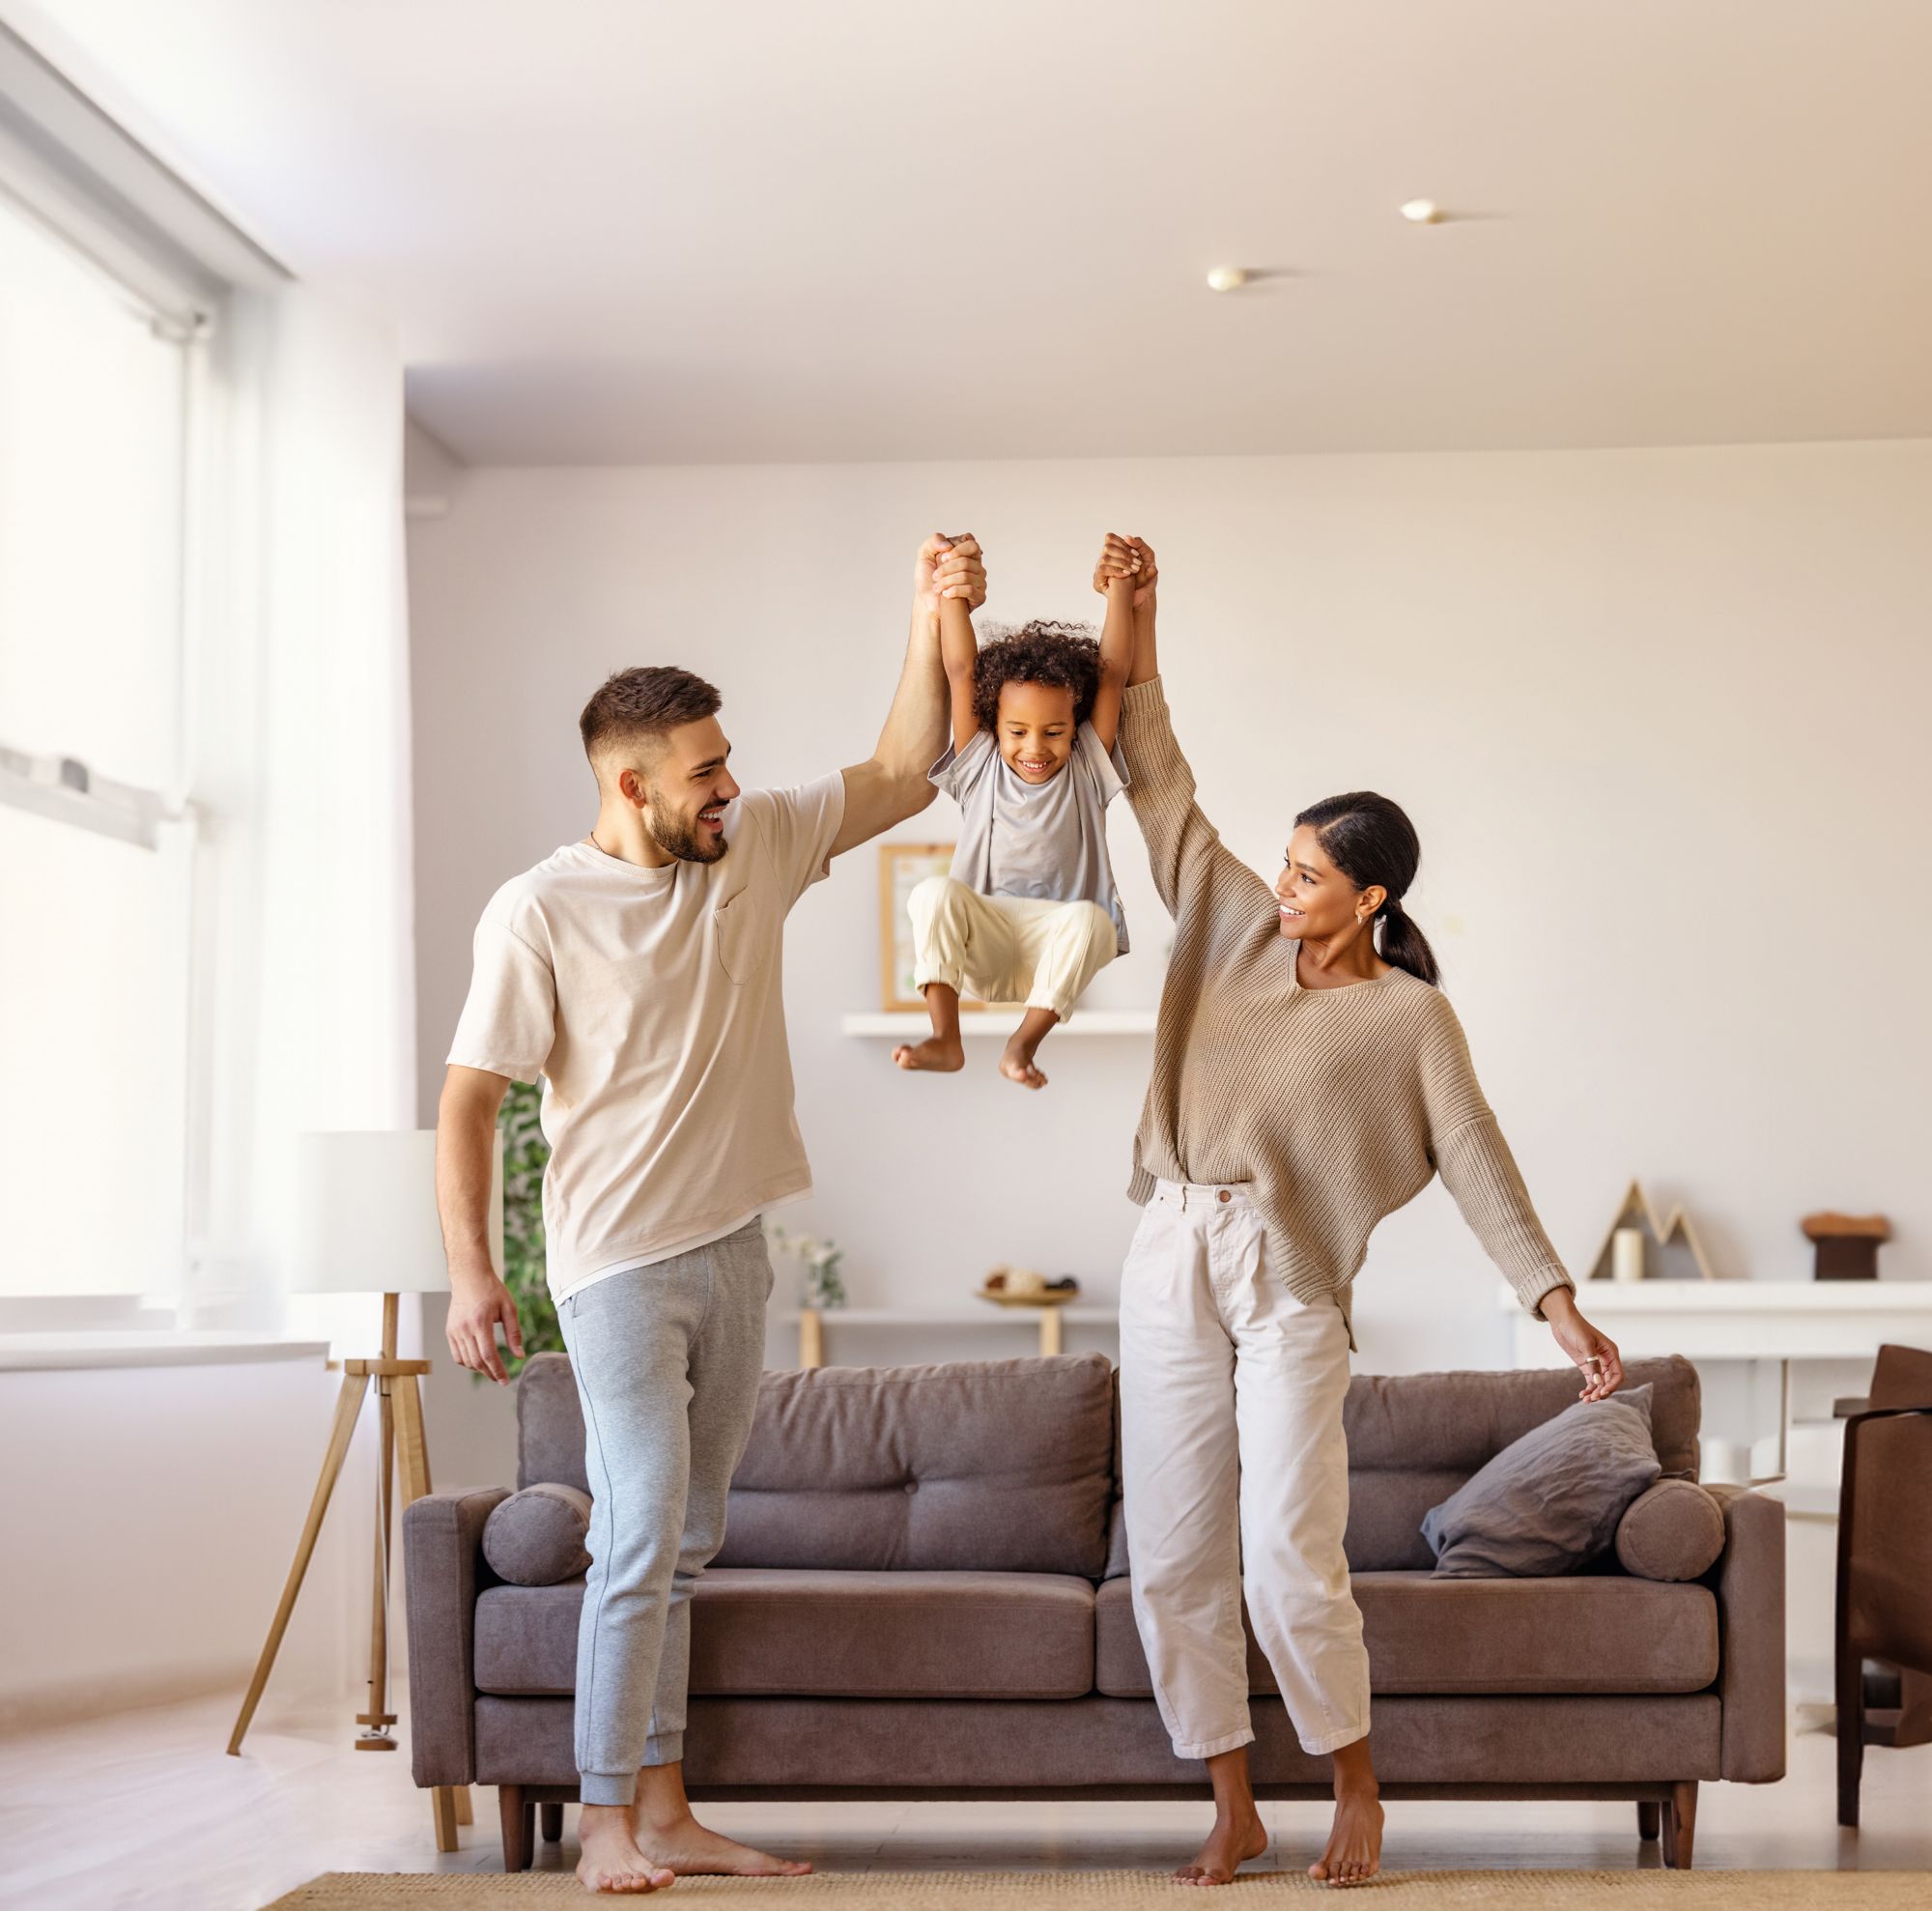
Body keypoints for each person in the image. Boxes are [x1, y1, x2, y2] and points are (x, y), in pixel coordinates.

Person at [435, 532, 985, 1895]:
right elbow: (467, 1100)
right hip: (616, 1266)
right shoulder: (539, 910)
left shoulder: (749, 851)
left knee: (683, 1542)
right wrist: (473, 1272)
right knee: (636, 1535)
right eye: (705, 769)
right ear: (630, 783)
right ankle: (607, 1820)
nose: (730, 784)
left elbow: (910, 763)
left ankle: (667, 1809)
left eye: (729, 762)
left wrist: (928, 612)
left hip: (734, 1249)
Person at [1094, 532, 1625, 1890]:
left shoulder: (1408, 1017)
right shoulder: (1225, 919)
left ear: (1371, 895)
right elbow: (1150, 761)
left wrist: (1556, 1303)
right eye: (1284, 861)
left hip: (1288, 1281)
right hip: (1172, 1246)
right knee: (1171, 1549)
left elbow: (1479, 1159)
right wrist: (1133, 611)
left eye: (1311, 873)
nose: (1285, 885)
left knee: (1286, 1548)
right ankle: (1229, 1798)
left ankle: (1354, 1782)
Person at [892, 556, 1135, 1088]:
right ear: (994, 725)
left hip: (1059, 947)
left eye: (1053, 731)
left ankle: (1021, 1046)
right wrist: (952, 591)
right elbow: (961, 671)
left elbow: (1113, 674)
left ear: (1075, 728)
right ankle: (945, 1038)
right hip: (987, 943)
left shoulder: (1088, 770)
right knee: (932, 894)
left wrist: (1120, 590)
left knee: (1092, 920)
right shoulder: (978, 766)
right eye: (1018, 730)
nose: (1034, 747)